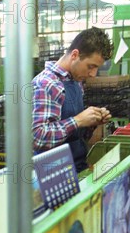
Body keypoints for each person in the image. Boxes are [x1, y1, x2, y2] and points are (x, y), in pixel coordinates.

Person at [32, 27, 114, 172]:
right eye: (91, 66)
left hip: (76, 167)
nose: (93, 74)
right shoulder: (46, 84)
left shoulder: (75, 83)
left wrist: (92, 122)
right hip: (53, 176)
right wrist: (78, 120)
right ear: (75, 55)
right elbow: (38, 138)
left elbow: (75, 137)